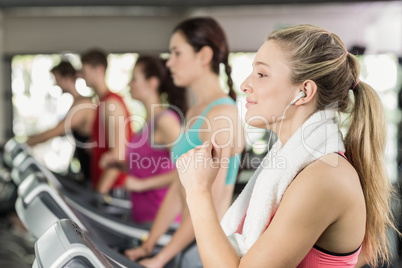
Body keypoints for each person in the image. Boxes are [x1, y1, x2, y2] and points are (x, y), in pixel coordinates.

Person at [176, 24, 398, 268]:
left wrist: (198, 192)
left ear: (303, 92)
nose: (244, 85)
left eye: (261, 74)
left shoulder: (324, 177)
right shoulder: (305, 169)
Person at [124, 17, 244, 268]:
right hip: (187, 243)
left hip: (206, 251)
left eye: (177, 53)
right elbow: (179, 189)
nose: (169, 62)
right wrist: (149, 245)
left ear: (204, 56)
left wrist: (160, 258)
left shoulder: (222, 116)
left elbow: (207, 201)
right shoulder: (193, 113)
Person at [99, 55, 187, 224]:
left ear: (152, 83)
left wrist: (142, 184)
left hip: (163, 222)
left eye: (134, 79)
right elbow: (147, 166)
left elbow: (189, 171)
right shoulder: (146, 124)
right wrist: (119, 165)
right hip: (142, 220)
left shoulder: (165, 121)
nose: (129, 84)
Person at [26, 61, 95, 181]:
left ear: (67, 78)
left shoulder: (83, 105)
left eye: (57, 79)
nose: (56, 84)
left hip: (92, 169)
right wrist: (29, 138)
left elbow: (56, 131)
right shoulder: (77, 103)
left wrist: (26, 143)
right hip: (85, 167)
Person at [80, 48, 133, 193]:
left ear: (99, 69)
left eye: (84, 71)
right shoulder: (102, 103)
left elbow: (118, 154)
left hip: (113, 188)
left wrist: (100, 191)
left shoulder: (111, 104)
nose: (82, 76)